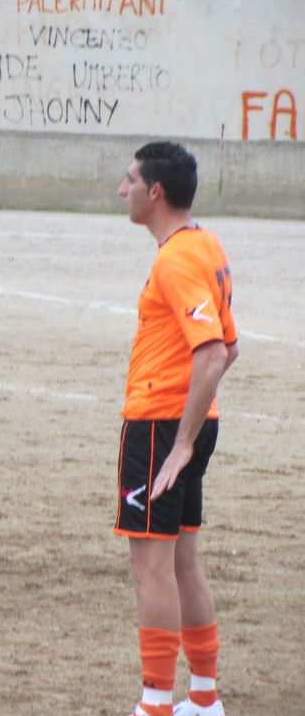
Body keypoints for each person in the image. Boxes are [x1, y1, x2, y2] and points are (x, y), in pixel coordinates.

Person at [114, 142, 238, 716]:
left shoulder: (176, 259)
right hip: (189, 421)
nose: (123, 189)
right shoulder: (205, 244)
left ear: (155, 191)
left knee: (152, 568)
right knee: (184, 560)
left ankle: (156, 705)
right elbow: (230, 346)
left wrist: (181, 442)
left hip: (161, 428)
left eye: (130, 180)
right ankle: (204, 698)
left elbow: (213, 352)